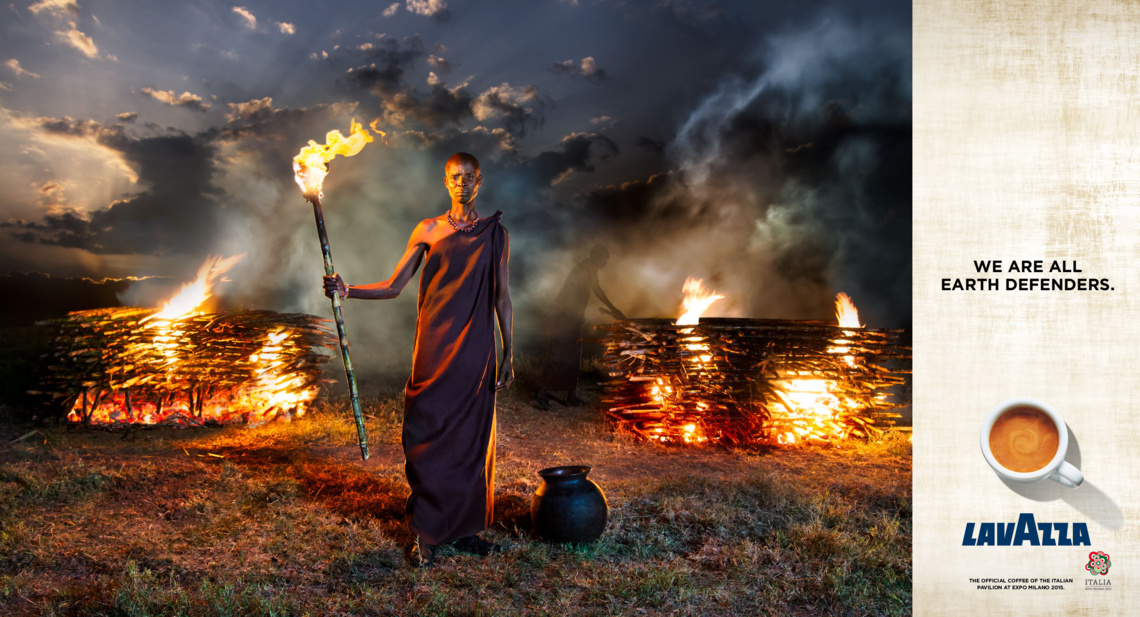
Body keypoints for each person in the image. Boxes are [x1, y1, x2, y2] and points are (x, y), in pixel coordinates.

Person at [323, 152, 512, 568]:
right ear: (445, 182)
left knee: (470, 441)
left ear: (479, 181)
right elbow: (393, 286)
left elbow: (501, 297)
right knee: (426, 434)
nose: (462, 183)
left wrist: (509, 351)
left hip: (476, 348)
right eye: (454, 177)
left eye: (469, 177)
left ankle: (465, 530)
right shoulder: (427, 229)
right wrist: (347, 289)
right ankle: (426, 533)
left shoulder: (496, 233)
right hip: (434, 345)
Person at [534, 244, 624, 410]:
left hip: (572, 318)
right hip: (563, 318)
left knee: (574, 356)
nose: (605, 263)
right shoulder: (586, 268)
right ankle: (541, 393)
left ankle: (571, 396)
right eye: (604, 260)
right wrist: (613, 309)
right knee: (559, 355)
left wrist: (579, 315)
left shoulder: (588, 268)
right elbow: (594, 291)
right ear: (597, 258)